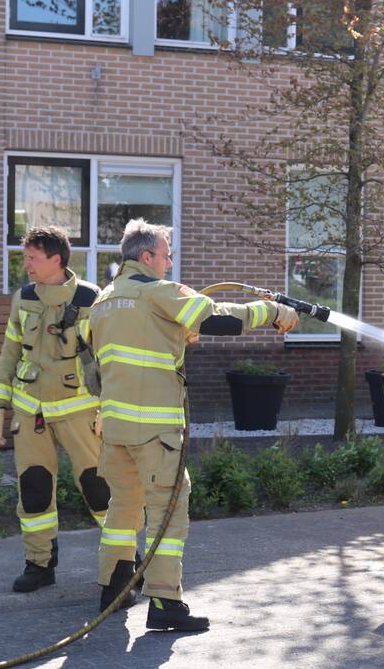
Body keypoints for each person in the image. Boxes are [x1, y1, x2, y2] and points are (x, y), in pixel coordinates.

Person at [86, 218, 299, 631]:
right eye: (166, 255)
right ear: (146, 257)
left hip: (115, 429)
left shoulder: (104, 300)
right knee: (167, 510)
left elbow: (113, 355)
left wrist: (174, 337)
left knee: (123, 509)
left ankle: (113, 590)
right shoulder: (158, 291)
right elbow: (218, 317)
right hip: (155, 430)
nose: (170, 263)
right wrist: (273, 311)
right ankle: (165, 603)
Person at [0, 225, 110, 593]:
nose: (27, 265)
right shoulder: (23, 298)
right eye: (26, 257)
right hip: (30, 413)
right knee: (34, 488)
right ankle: (40, 564)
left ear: (57, 259)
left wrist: (107, 410)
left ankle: (123, 564)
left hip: (81, 413)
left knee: (99, 488)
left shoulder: (91, 298)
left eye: (33, 258)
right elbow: (9, 354)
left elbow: (109, 362)